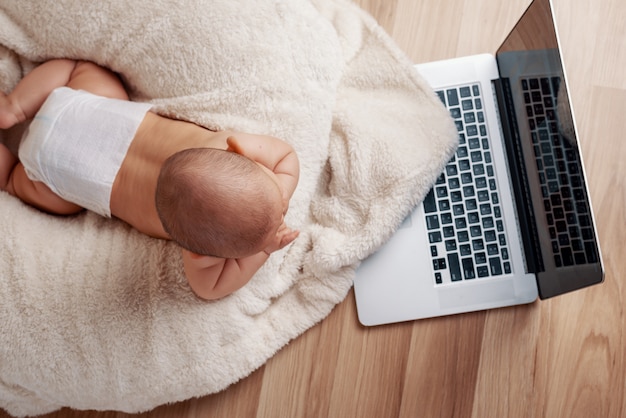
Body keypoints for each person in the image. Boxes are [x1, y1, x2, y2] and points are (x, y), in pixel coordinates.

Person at [0, 59, 300, 300]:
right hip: (63, 172)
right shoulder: (196, 250)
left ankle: (12, 108)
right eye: (283, 203)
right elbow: (210, 289)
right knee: (15, 181)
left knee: (80, 70)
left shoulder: (225, 145)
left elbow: (285, 156)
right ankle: (9, 170)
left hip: (83, 110)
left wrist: (279, 192)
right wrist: (264, 247)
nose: (283, 212)